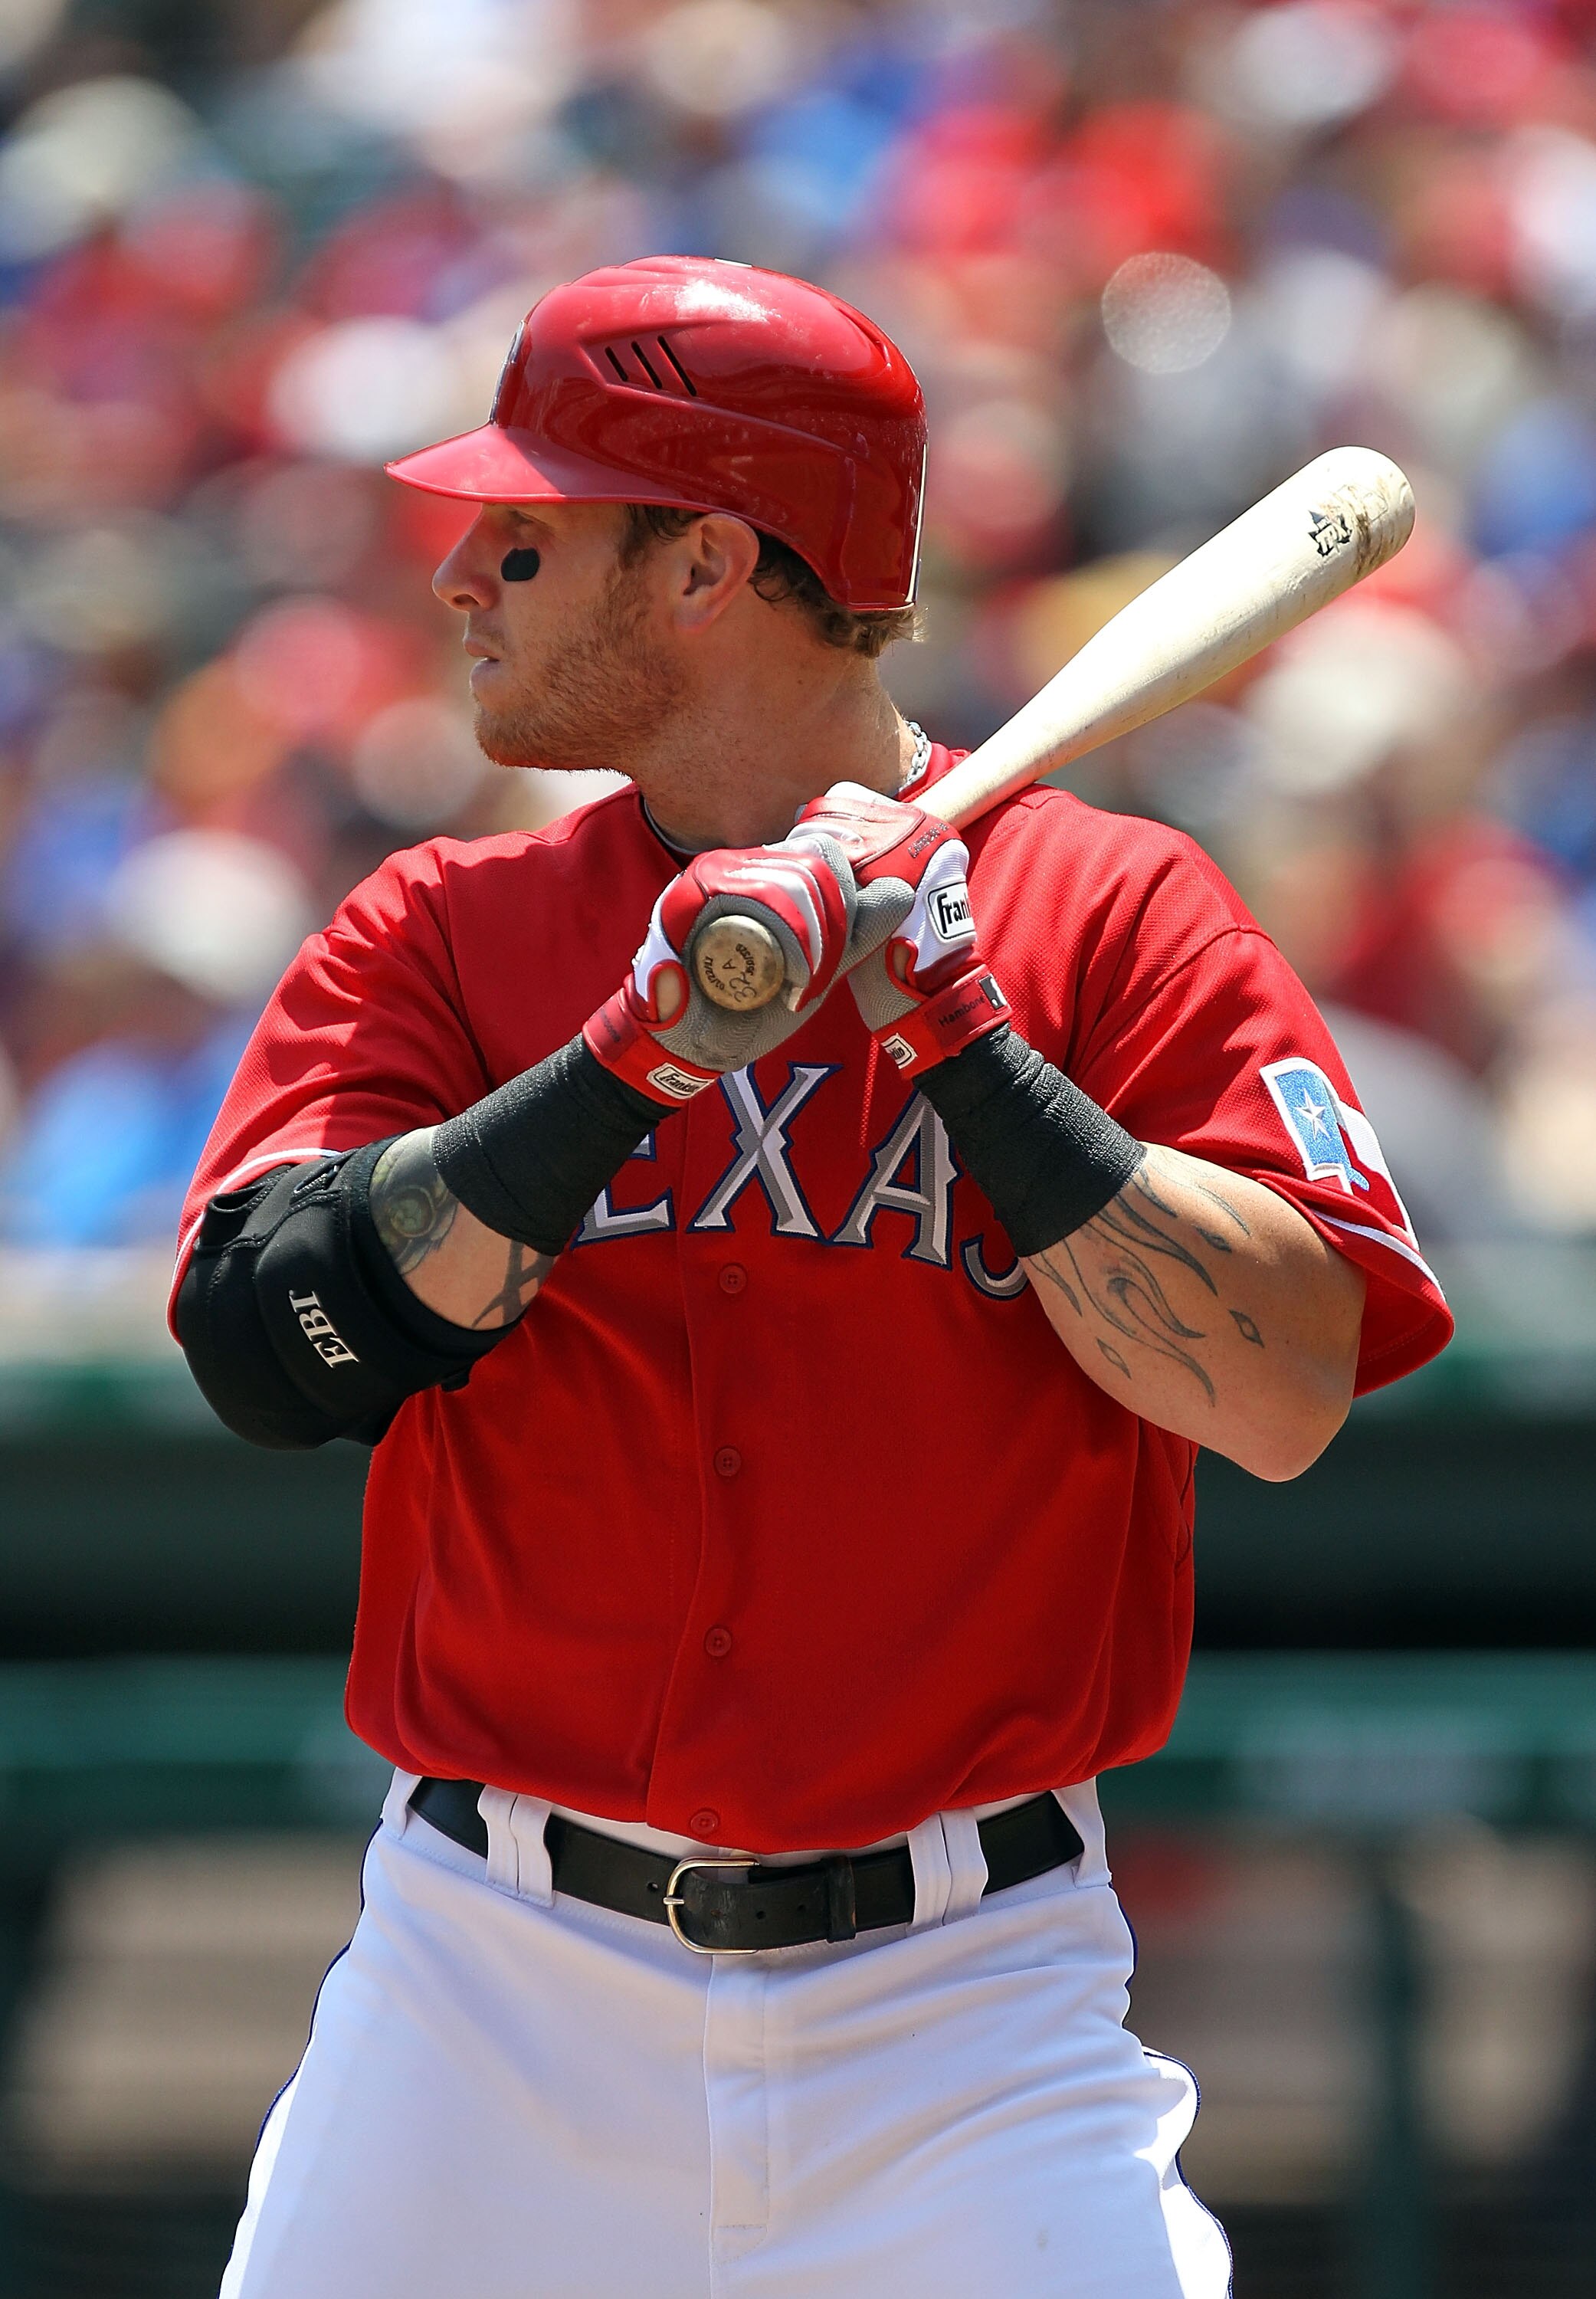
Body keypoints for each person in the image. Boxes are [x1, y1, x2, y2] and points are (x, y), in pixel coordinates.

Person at [172, 257, 1451, 2299]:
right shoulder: (445, 933)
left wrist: (960, 1033)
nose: (461, 575)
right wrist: (629, 1063)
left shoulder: (1108, 916)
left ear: (703, 564)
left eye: (529, 532)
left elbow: (1284, 1388)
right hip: (488, 1994)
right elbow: (269, 1344)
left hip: (967, 2007)